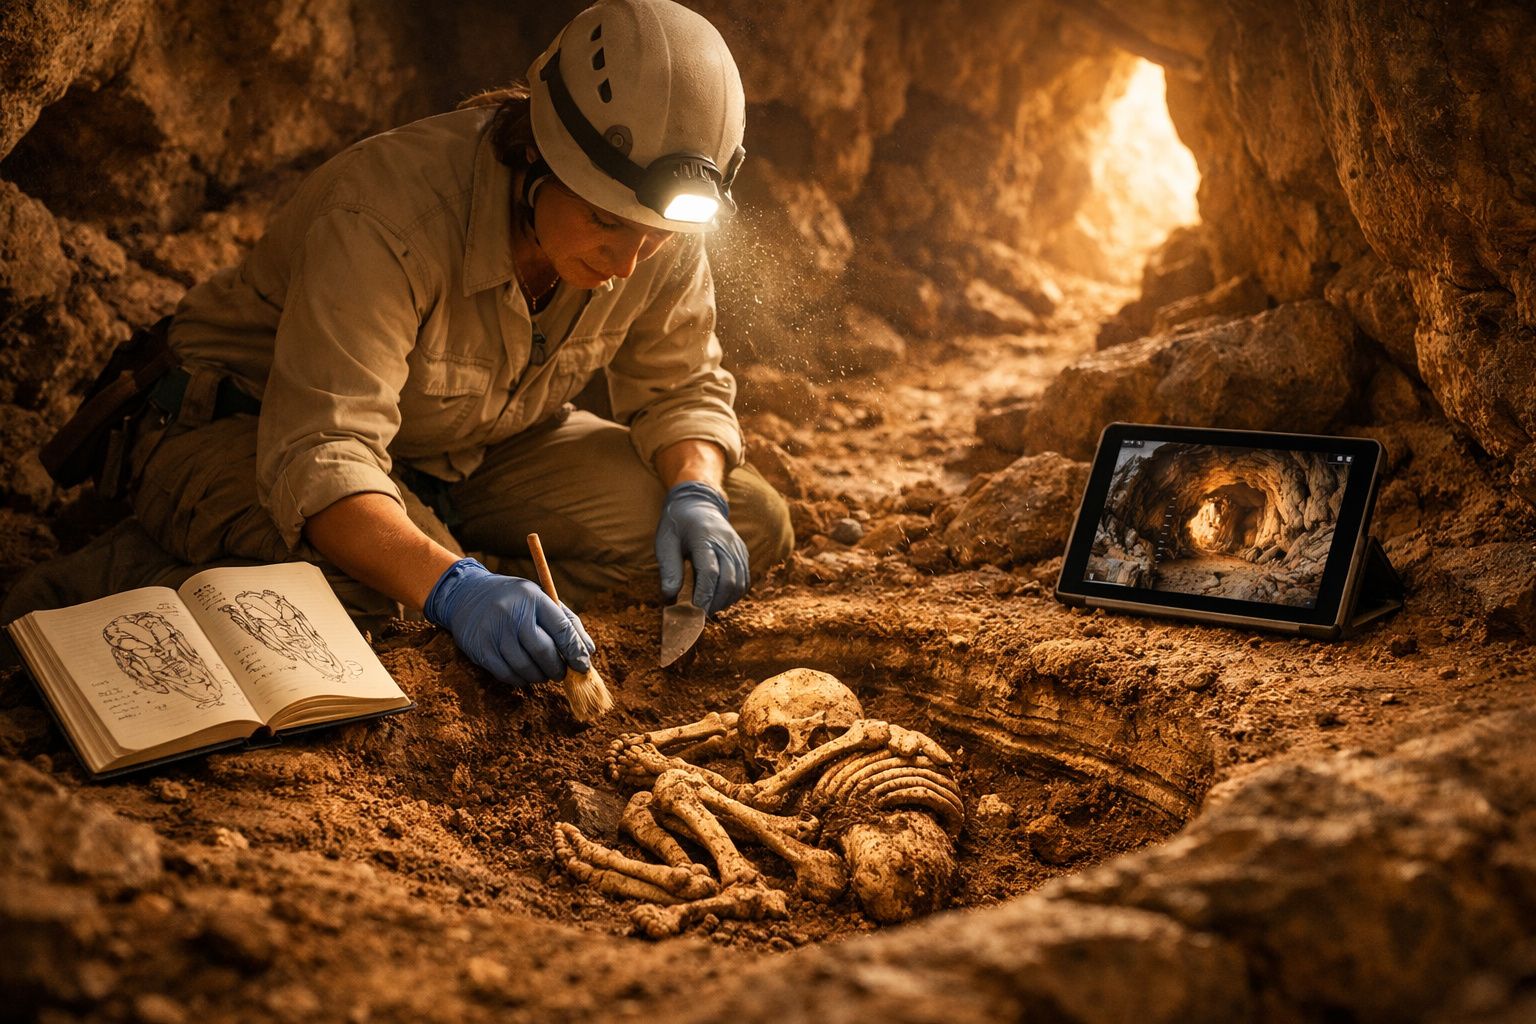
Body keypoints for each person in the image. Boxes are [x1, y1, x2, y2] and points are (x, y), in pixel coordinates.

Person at [16, 0, 793, 688]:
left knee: (749, 518)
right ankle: (94, 585)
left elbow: (681, 385)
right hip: (244, 429)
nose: (628, 262)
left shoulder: (655, 214)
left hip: (464, 450)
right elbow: (323, 456)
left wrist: (695, 489)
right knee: (395, 605)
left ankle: (451, 565)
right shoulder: (388, 214)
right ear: (543, 159)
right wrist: (452, 585)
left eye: (655, 237)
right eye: (606, 226)